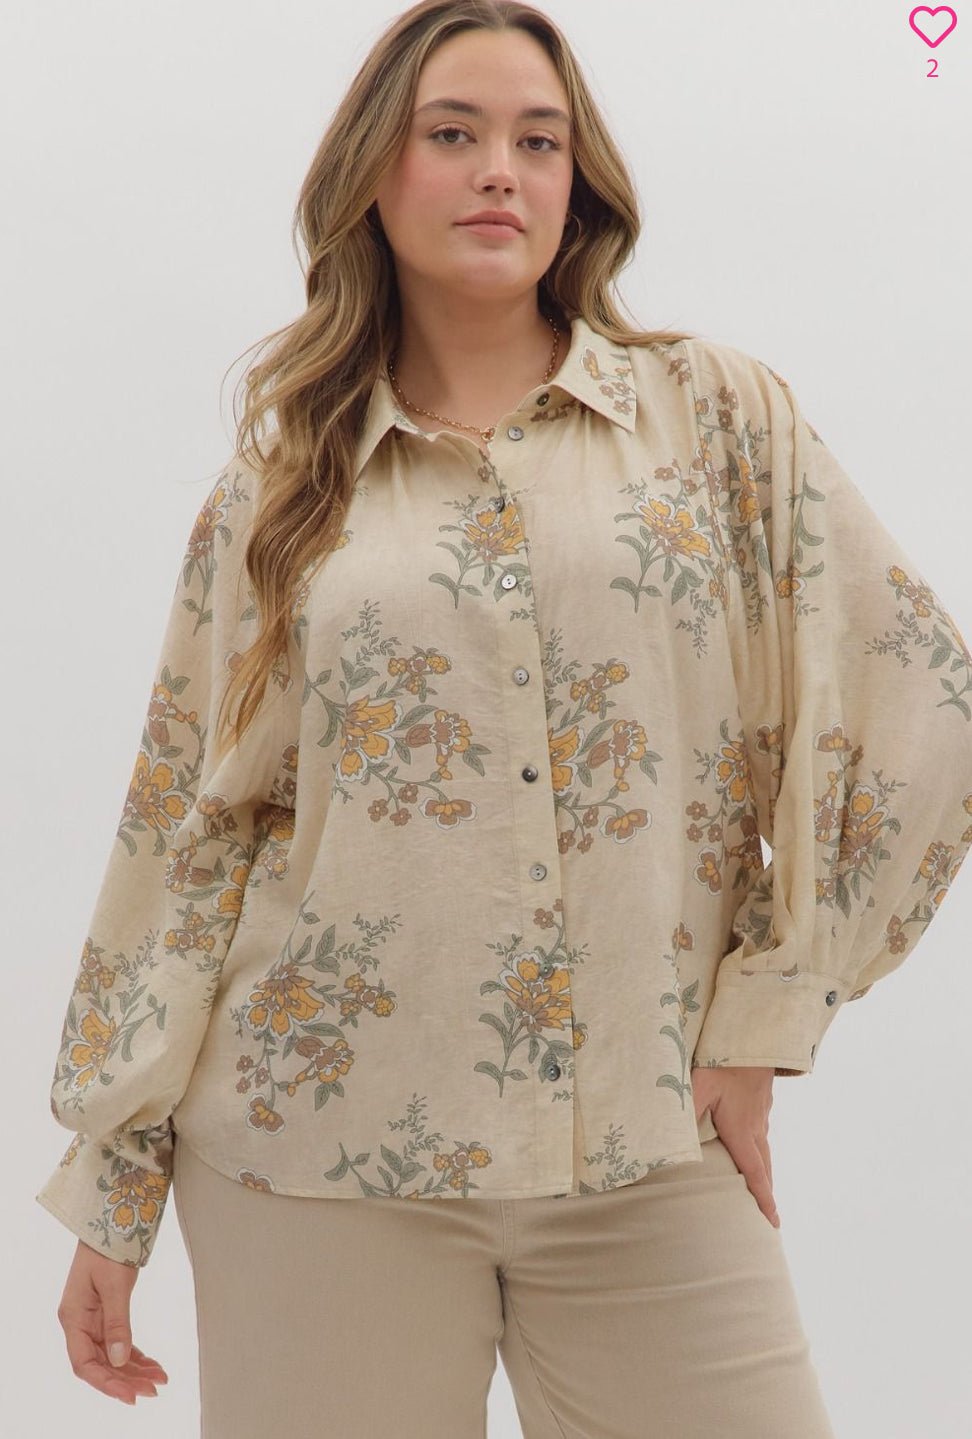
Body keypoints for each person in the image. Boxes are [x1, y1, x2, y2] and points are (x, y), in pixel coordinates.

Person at [38, 3, 972, 1435]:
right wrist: (116, 1180)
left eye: (539, 142)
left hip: (649, 1146)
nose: (500, 171)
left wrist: (771, 1012)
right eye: (453, 134)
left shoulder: (713, 419)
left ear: (577, 182)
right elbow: (188, 829)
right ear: (374, 174)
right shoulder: (281, 488)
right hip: (318, 1167)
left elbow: (919, 698)